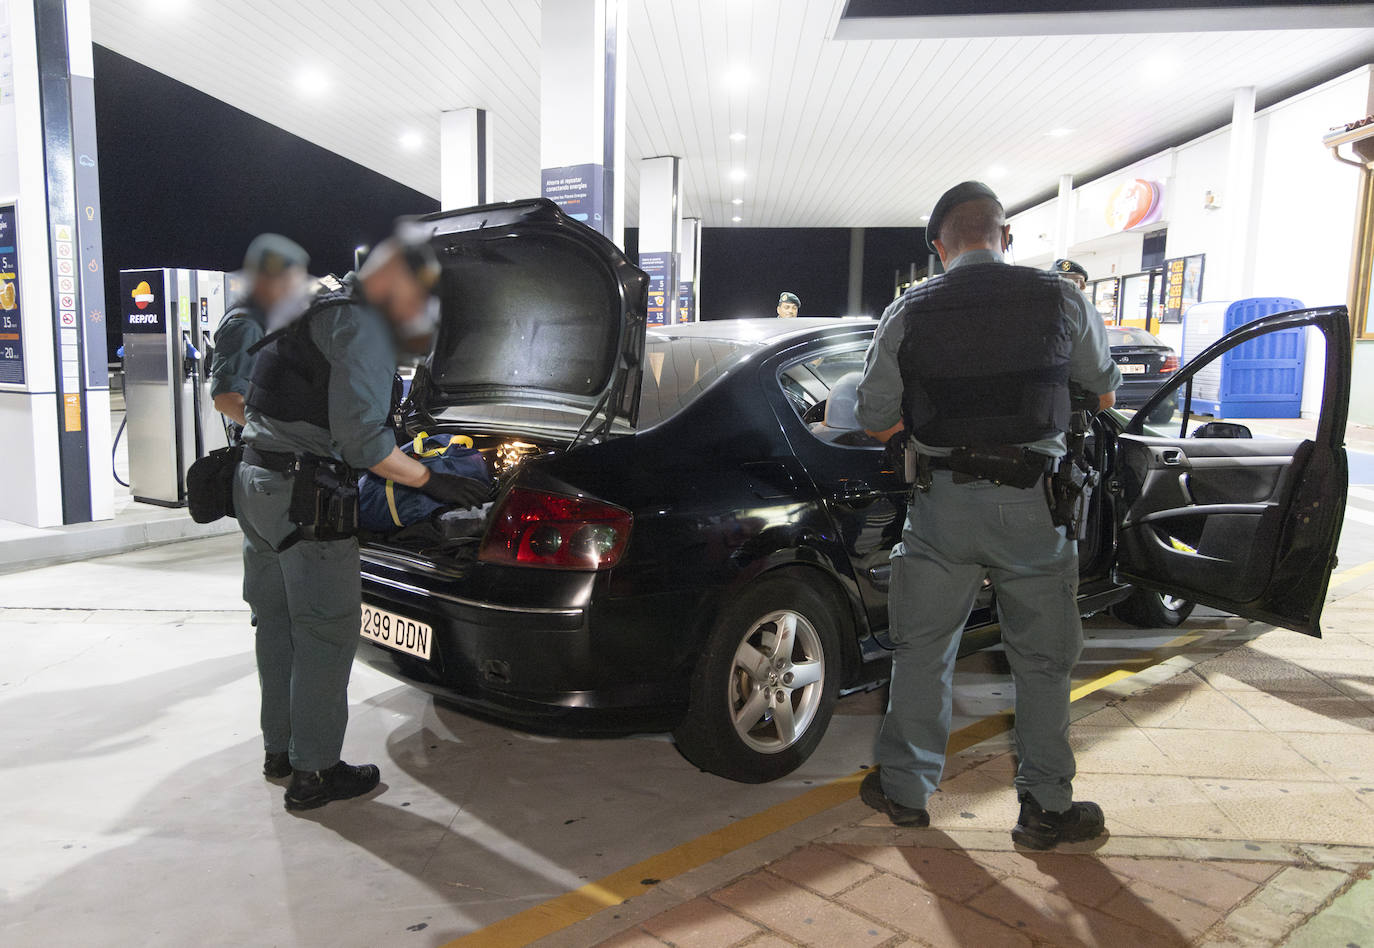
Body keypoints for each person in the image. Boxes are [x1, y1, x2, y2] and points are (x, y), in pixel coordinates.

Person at [854, 182, 1121, 850]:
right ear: (1005, 237)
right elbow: (1106, 389)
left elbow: (872, 416)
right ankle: (1045, 811)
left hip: (942, 508)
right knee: (1041, 663)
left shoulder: (908, 310)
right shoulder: (1063, 297)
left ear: (940, 248)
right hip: (1034, 507)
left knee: (923, 653)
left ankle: (906, 791)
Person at [235, 227, 490, 811]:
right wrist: (436, 480)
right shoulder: (364, 325)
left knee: (275, 626)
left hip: (255, 483)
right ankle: (316, 773)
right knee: (324, 633)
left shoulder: (312, 305)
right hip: (305, 497)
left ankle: (281, 750)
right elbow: (362, 446)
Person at [209, 234, 311, 441]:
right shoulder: (246, 325)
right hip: (261, 452)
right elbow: (225, 399)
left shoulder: (265, 318)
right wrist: (277, 436)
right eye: (290, 281)